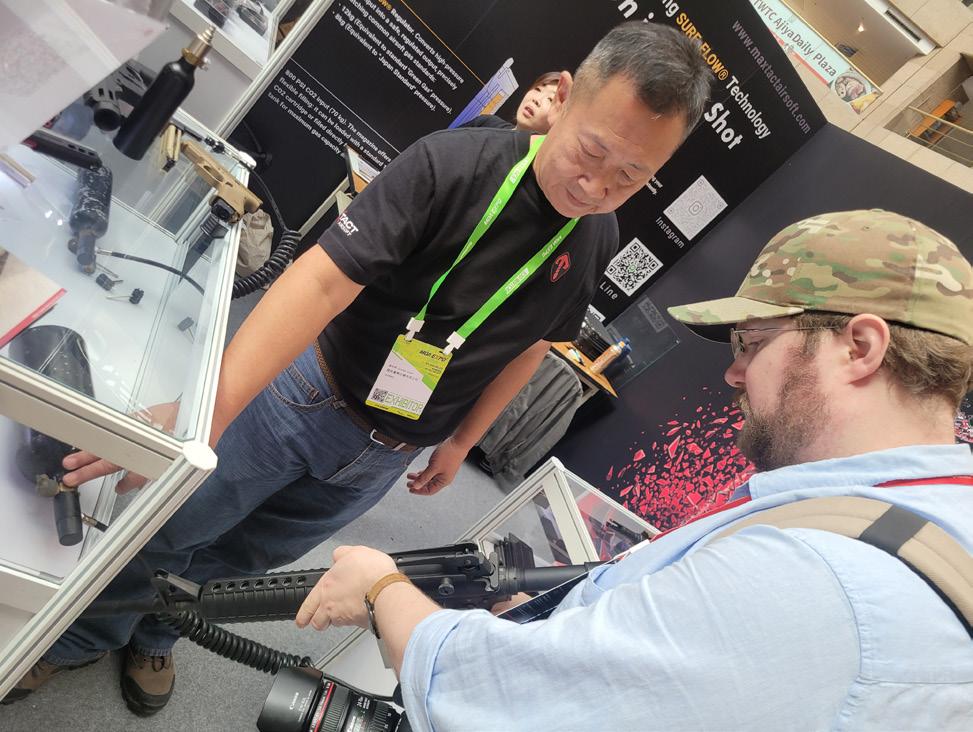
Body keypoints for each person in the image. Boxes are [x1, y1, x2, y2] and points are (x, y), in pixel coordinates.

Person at [3, 22, 712, 714]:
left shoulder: (595, 238)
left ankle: (157, 633)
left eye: (630, 176)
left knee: (247, 559)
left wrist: (462, 442)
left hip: (385, 455)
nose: (595, 185)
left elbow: (532, 345)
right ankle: (78, 640)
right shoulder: (453, 164)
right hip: (306, 398)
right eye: (592, 151)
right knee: (176, 527)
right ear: (565, 99)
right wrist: (208, 410)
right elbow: (320, 281)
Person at [293, 209, 973, 730]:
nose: (734, 372)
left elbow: (491, 695)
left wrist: (382, 589)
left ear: (859, 347)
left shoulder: (815, 581)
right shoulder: (925, 518)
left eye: (751, 341)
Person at [462, 71, 562, 133]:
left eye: (550, 100)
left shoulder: (535, 162)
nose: (537, 100)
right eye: (538, 89)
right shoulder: (486, 123)